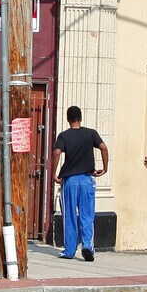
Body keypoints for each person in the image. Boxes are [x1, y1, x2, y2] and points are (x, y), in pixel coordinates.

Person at [51, 105, 110, 262]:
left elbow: (56, 152)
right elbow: (103, 147)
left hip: (70, 181)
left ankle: (69, 250)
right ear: (80, 118)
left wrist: (54, 174)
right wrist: (105, 168)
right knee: (87, 215)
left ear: (68, 119)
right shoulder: (91, 134)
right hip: (86, 179)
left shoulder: (64, 136)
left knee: (69, 215)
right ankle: (87, 246)